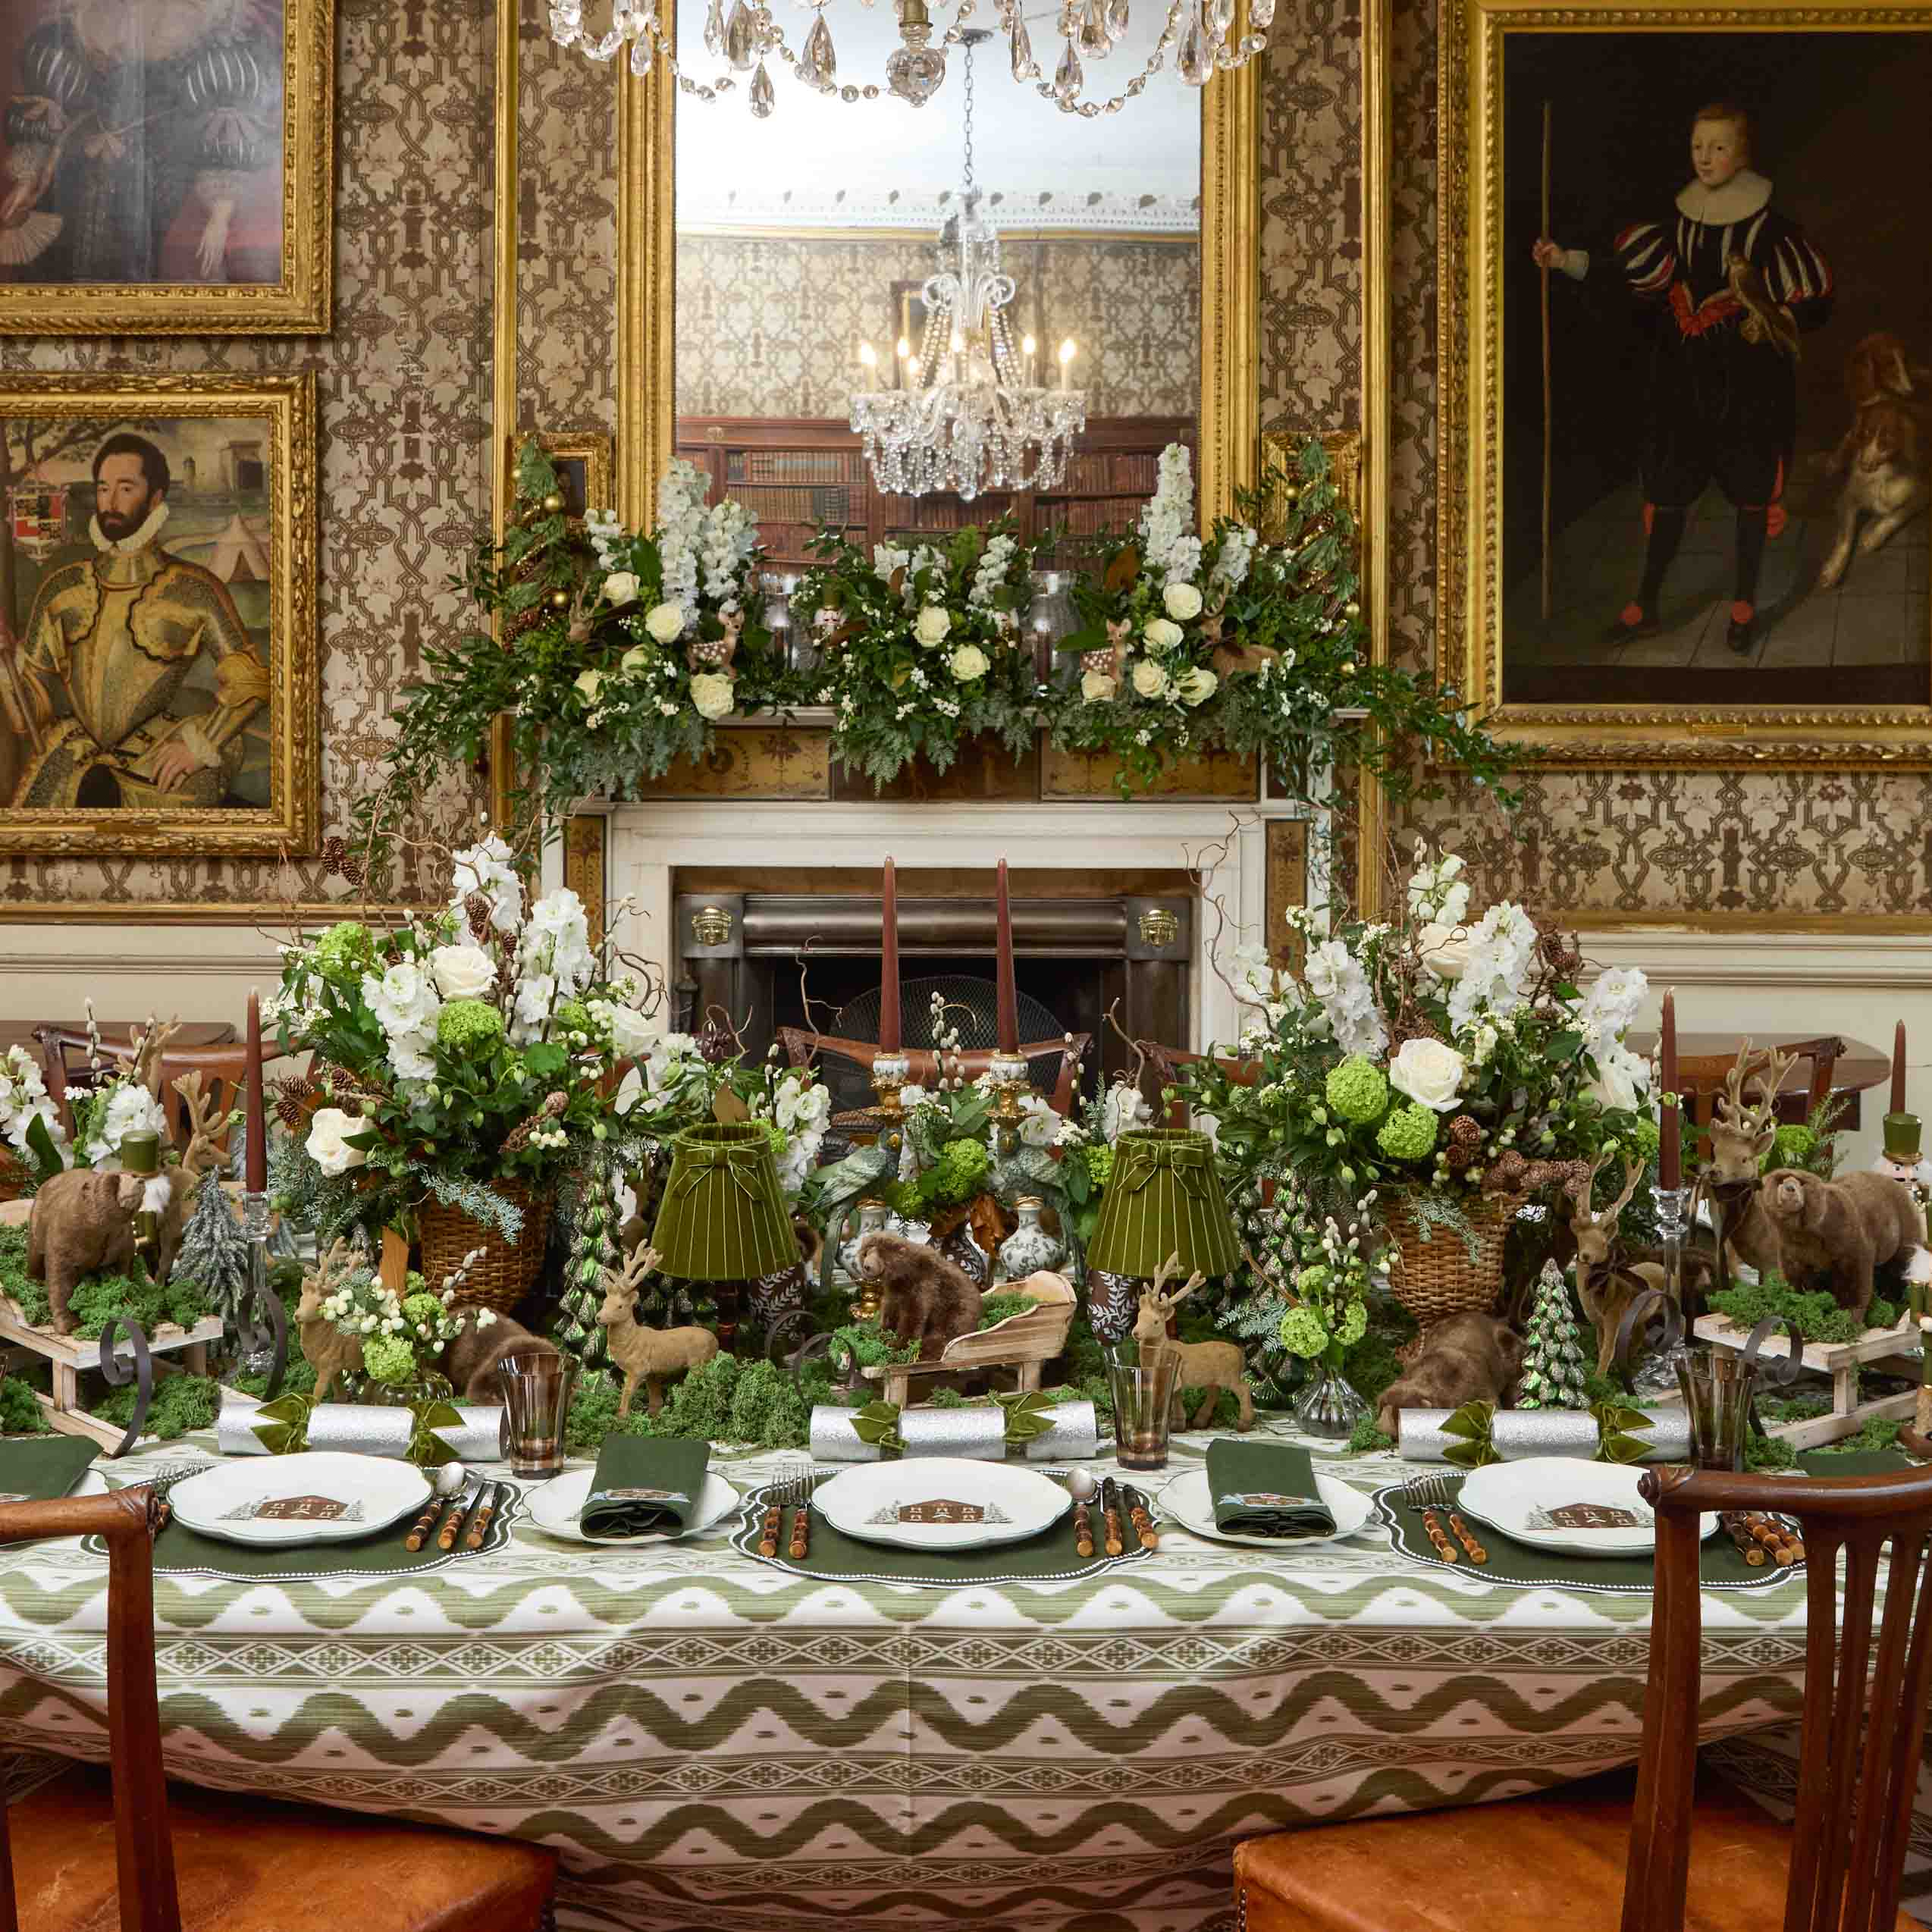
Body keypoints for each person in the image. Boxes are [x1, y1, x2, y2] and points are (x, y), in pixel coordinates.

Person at [1534, 101, 1833, 653]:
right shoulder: (1676, 223)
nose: (1706, 157)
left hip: (1748, 381)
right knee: (1670, 488)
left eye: (1719, 146)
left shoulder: (1773, 229)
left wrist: (1772, 318)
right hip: (1682, 377)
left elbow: (1814, 301)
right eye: (1698, 146)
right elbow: (1626, 274)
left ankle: (1743, 605)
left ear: (1743, 153)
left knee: (1749, 490)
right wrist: (1563, 261)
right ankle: (1645, 604)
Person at [3, 431, 268, 810]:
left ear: (155, 498)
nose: (109, 502)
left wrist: (198, 746)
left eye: (125, 489)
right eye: (103, 488)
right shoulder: (62, 586)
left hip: (157, 767)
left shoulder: (192, 587)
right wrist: (5, 667)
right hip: (73, 763)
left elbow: (251, 681)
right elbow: (29, 710)